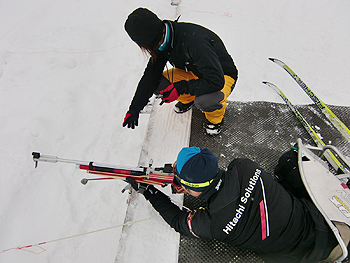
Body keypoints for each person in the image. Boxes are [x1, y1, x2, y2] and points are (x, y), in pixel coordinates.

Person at [127, 146, 348, 263]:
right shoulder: (243, 166)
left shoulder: (211, 223)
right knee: (288, 162)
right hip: (330, 218)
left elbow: (178, 221)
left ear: (188, 186)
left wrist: (149, 191)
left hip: (322, 250)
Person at [122, 7, 238, 135]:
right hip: (196, 72)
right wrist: (134, 109)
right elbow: (150, 77)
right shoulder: (162, 40)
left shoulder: (195, 43)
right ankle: (188, 99)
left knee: (205, 101)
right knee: (159, 84)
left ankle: (216, 120)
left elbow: (216, 81)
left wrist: (179, 88)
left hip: (221, 75)